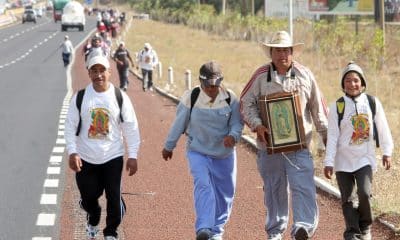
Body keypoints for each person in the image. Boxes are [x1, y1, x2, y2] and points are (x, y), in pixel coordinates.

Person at [239, 30, 328, 240]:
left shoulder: (306, 74)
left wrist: (326, 138)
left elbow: (319, 108)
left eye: (286, 50)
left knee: (303, 186)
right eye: (277, 50)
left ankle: (302, 227)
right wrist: (257, 125)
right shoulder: (260, 75)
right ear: (271, 53)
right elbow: (245, 103)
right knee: (274, 189)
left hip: (300, 146)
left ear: (292, 52)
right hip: (269, 147)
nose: (282, 55)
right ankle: (275, 231)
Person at [162, 61, 244, 240]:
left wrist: (233, 136)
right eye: (208, 86)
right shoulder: (191, 97)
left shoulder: (230, 98)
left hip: (224, 154)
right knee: (203, 185)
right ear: (201, 82)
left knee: (225, 193)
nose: (212, 90)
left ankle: (217, 231)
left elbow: (237, 123)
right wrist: (169, 146)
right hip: (198, 151)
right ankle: (204, 228)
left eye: (215, 85)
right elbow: (179, 123)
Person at [65, 55, 141, 240]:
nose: (98, 75)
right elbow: (70, 126)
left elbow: (131, 127)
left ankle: (110, 232)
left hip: (112, 157)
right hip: (86, 158)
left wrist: (133, 155)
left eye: (102, 71)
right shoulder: (81, 97)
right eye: (94, 71)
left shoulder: (119, 97)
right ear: (89, 73)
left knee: (113, 198)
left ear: (109, 72)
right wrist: (72, 152)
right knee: (88, 197)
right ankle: (94, 217)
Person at [323, 62, 393, 240]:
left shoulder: (372, 102)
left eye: (356, 80)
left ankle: (365, 225)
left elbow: (383, 128)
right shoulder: (337, 106)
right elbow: (332, 136)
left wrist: (387, 151)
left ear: (362, 83)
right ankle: (352, 233)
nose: (352, 84)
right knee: (347, 199)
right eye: (348, 80)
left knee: (364, 193)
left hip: (364, 159)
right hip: (342, 161)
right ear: (343, 84)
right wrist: (329, 162)